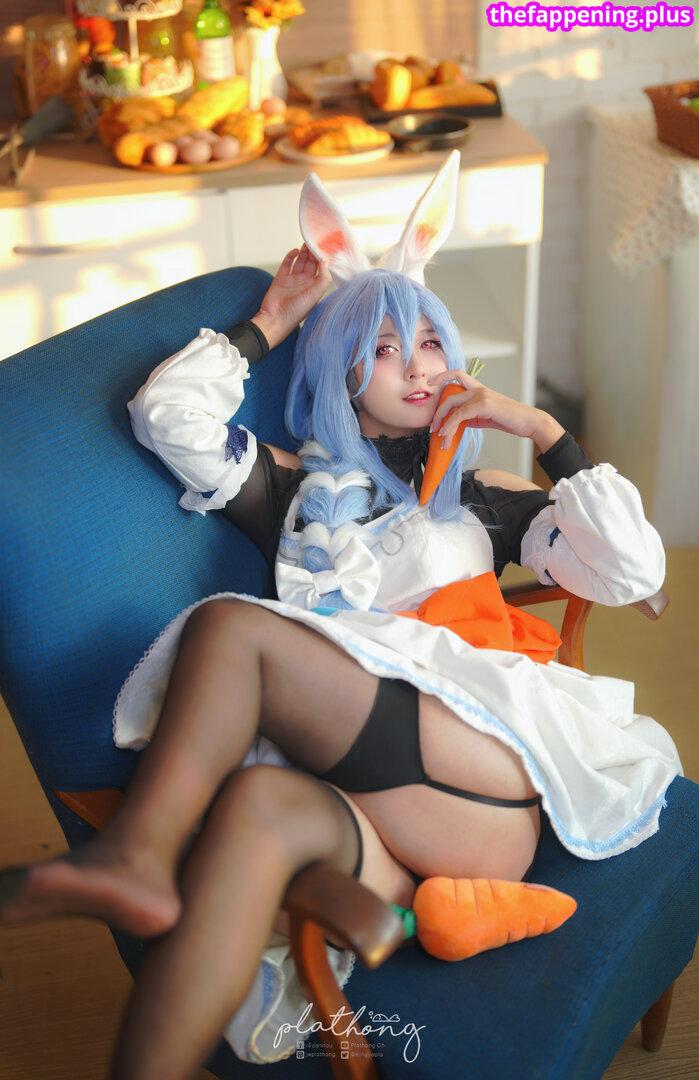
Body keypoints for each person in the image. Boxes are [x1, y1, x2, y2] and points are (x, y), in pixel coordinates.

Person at [0, 156, 682, 1079]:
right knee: (256, 809)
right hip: (374, 825)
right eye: (383, 349)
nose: (417, 366)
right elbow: (168, 414)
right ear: (341, 373)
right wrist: (269, 323)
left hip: (482, 792)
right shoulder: (293, 492)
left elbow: (635, 571)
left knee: (231, 628)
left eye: (430, 343)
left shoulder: (482, 498)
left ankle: (138, 858)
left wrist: (541, 431)